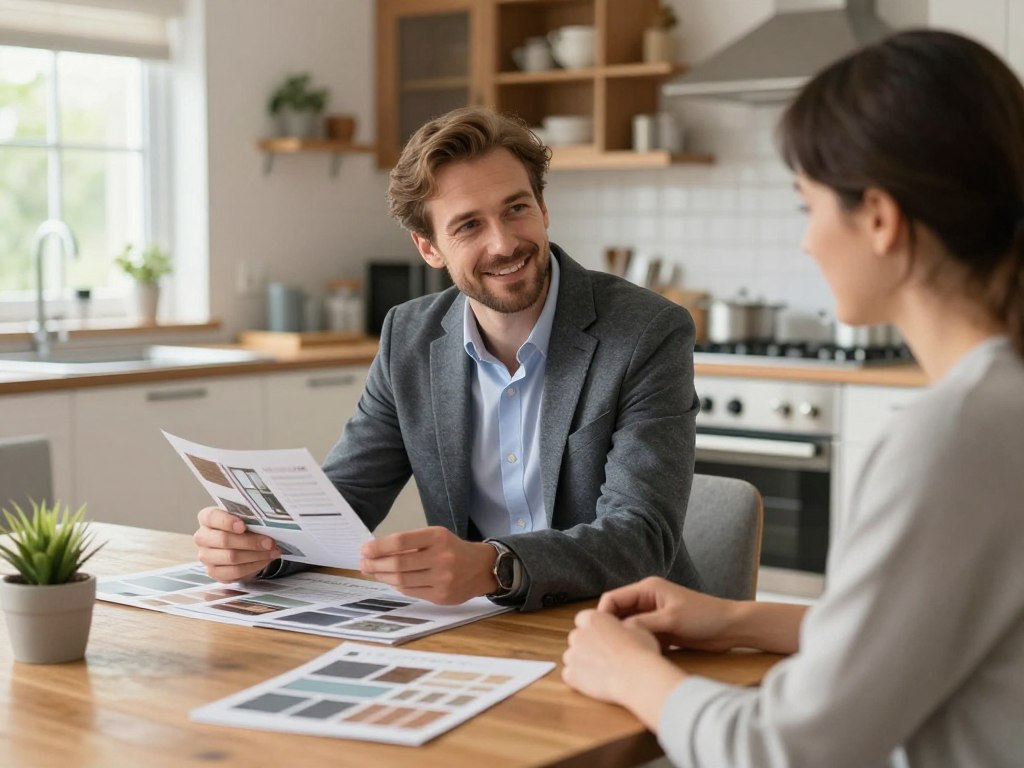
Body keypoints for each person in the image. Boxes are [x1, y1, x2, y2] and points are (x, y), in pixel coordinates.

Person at [561, 29, 1024, 767]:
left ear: (880, 219)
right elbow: (913, 641)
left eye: (808, 206)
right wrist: (738, 619)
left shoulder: (957, 437)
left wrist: (632, 675)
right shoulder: (999, 406)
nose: (807, 242)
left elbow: (786, 750)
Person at [193, 107, 702, 611]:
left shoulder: (646, 331)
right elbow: (343, 501)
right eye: (469, 225)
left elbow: (642, 535)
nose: (503, 243)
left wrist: (495, 566)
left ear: (544, 209)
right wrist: (259, 547)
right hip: (481, 626)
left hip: (629, 621)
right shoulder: (408, 337)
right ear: (429, 248)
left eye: (516, 209)